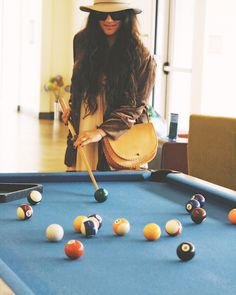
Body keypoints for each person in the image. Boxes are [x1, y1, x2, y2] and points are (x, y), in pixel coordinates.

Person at [63, 0, 157, 171]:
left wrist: (100, 132)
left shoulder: (142, 54)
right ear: (93, 16)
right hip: (86, 123)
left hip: (121, 131)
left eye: (116, 14)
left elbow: (135, 105)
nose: (108, 20)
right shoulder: (81, 42)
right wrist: (73, 107)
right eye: (101, 14)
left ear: (127, 17)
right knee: (81, 185)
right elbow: (78, 83)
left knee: (119, 189)